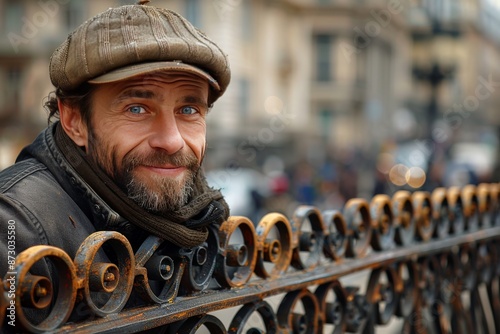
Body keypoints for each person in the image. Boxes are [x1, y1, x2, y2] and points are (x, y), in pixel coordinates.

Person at [0, 1, 231, 326]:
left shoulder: (198, 218)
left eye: (189, 110)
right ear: (75, 120)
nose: (172, 140)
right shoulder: (14, 228)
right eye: (137, 108)